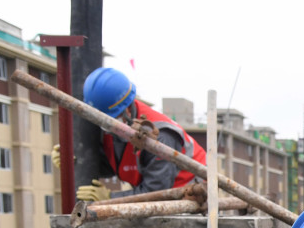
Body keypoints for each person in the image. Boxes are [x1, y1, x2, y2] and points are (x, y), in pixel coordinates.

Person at [65, 67, 206, 202]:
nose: (106, 126)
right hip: (159, 198)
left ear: (126, 110)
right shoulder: (114, 126)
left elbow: (157, 192)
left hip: (190, 198)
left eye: (110, 119)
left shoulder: (160, 136)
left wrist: (110, 198)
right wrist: (74, 160)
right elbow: (112, 165)